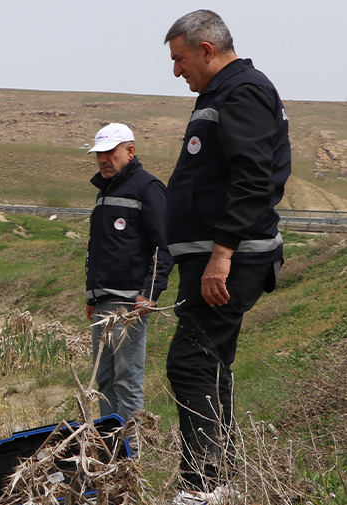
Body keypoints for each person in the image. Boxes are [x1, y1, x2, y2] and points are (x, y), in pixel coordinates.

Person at [163, 10, 290, 503]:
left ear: (206, 49)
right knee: (209, 362)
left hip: (233, 258)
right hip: (219, 255)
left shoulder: (243, 91)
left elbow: (254, 178)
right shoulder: (222, 94)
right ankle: (224, 480)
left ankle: (202, 488)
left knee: (191, 363)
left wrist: (221, 255)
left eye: (179, 59)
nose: (176, 72)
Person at [85, 123, 172, 426]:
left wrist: (149, 293)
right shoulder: (104, 192)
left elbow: (165, 246)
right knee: (105, 381)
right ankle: (110, 454)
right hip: (102, 302)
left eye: (109, 152)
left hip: (129, 307)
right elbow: (97, 249)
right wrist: (91, 294)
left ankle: (131, 457)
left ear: (130, 151)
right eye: (98, 154)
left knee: (127, 381)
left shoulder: (148, 188)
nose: (102, 160)